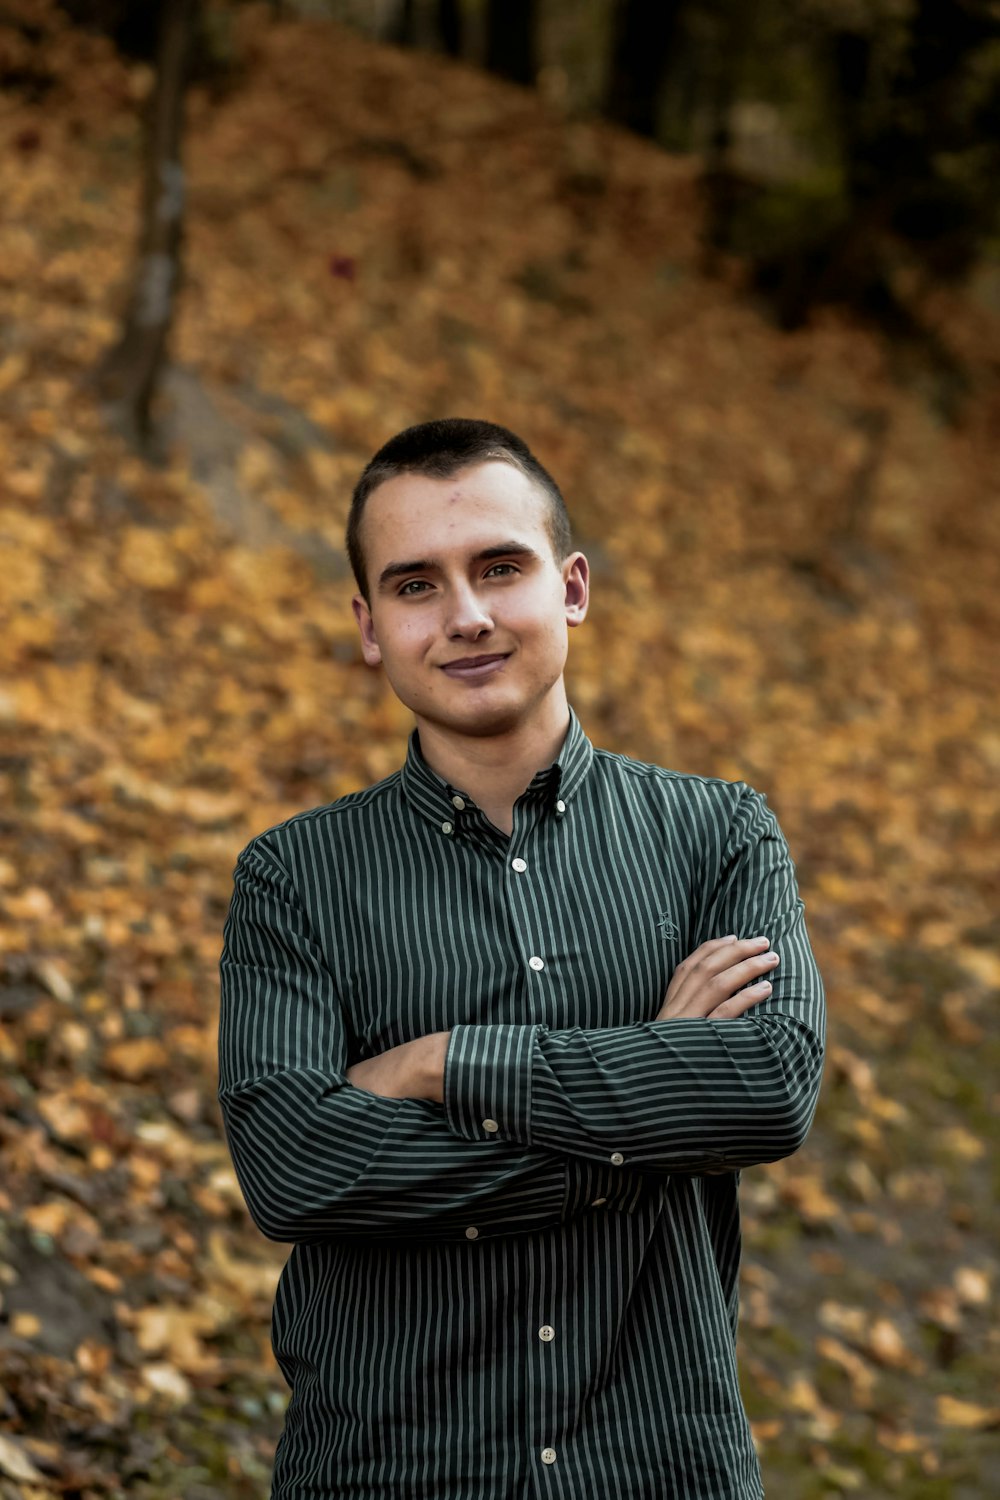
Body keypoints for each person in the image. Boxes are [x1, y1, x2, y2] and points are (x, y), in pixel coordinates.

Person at [218, 418, 825, 1500]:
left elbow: (767, 1092)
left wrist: (442, 1065)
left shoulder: (719, 836)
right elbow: (293, 1168)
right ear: (369, 626)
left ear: (572, 587)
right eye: (415, 586)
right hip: (390, 1472)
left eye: (500, 567)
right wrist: (647, 1092)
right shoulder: (293, 877)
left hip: (657, 1470)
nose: (465, 616)